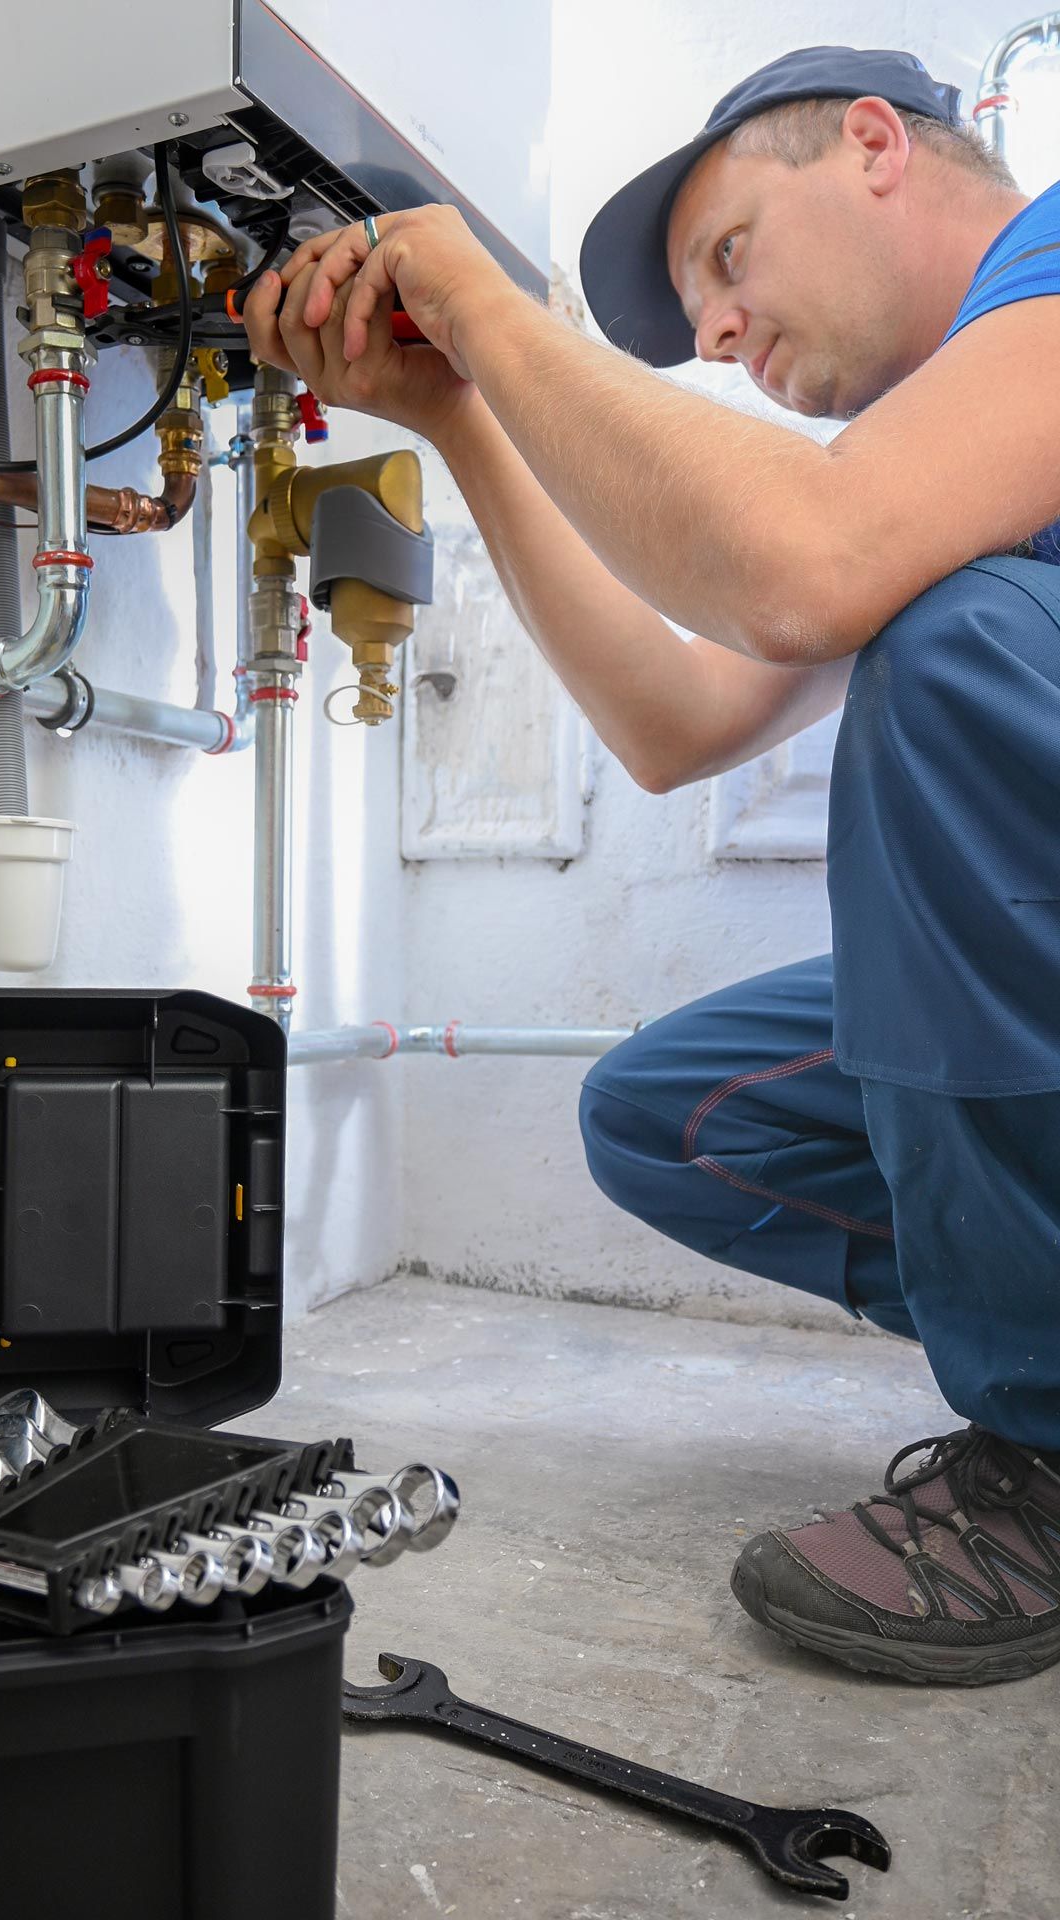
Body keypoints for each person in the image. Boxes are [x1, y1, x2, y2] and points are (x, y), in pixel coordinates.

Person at [243, 45, 1060, 1686]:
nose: (717, 335)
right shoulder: (958, 449)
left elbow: (802, 567)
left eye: (729, 255)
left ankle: (1043, 1448)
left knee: (956, 654)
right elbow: (683, 717)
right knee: (679, 1112)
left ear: (878, 147)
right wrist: (458, 415)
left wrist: (482, 296)